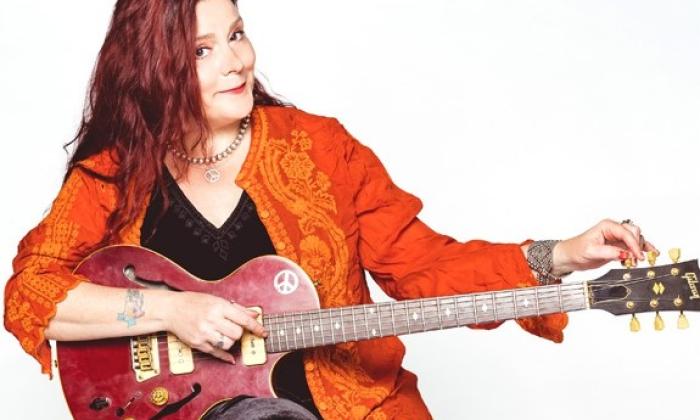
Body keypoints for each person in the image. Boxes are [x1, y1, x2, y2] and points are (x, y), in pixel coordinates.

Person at [3, 0, 657, 419]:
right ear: (153, 66)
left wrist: (561, 255)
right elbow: (31, 291)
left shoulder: (320, 147)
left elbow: (420, 264)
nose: (236, 61)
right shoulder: (114, 174)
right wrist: (174, 310)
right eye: (202, 49)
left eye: (237, 34)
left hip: (353, 405)